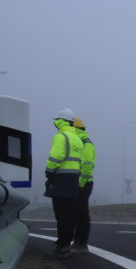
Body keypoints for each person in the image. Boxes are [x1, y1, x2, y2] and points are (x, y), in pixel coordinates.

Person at [45, 107, 84, 258]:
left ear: (59, 121)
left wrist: (49, 171)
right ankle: (66, 245)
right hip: (74, 181)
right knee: (70, 215)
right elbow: (80, 161)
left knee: (61, 215)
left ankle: (61, 247)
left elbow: (56, 156)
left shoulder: (61, 136)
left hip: (61, 180)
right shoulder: (77, 139)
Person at [71, 116, 96, 254]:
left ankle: (82, 243)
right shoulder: (81, 142)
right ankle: (77, 241)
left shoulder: (86, 144)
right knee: (77, 213)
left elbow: (87, 166)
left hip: (83, 184)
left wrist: (80, 184)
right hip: (81, 183)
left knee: (81, 214)